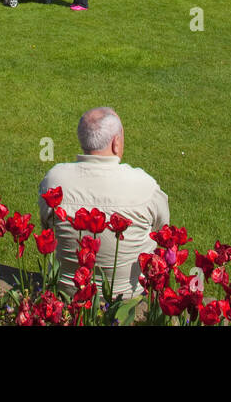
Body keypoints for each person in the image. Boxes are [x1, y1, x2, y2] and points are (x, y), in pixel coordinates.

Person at [38, 107, 169, 300]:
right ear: (116, 143)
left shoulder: (55, 179)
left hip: (67, 292)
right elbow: (163, 230)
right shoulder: (144, 185)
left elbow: (46, 225)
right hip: (127, 297)